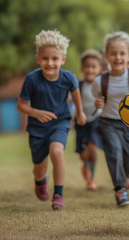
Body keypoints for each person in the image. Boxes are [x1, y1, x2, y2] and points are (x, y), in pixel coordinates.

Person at [17, 30, 86, 210]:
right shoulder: (32, 79)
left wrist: (80, 113)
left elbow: (76, 93)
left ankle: (58, 195)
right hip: (37, 127)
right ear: (37, 58)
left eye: (55, 59)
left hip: (60, 122)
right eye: (45, 59)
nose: (50, 63)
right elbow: (21, 105)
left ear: (62, 60)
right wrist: (36, 113)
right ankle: (40, 181)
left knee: (57, 152)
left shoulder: (68, 77)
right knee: (38, 168)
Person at [92, 32, 129, 207]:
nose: (118, 57)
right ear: (106, 56)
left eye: (122, 53)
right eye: (113, 53)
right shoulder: (100, 81)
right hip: (108, 123)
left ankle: (127, 174)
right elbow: (97, 102)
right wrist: (98, 104)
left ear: (128, 55)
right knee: (114, 153)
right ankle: (120, 189)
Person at [74, 49, 104, 190]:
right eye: (87, 66)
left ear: (100, 69)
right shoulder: (78, 85)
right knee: (83, 153)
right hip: (81, 120)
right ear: (82, 68)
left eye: (94, 66)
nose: (90, 69)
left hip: (96, 119)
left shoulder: (102, 84)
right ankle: (85, 166)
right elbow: (71, 100)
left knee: (93, 146)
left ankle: (91, 179)